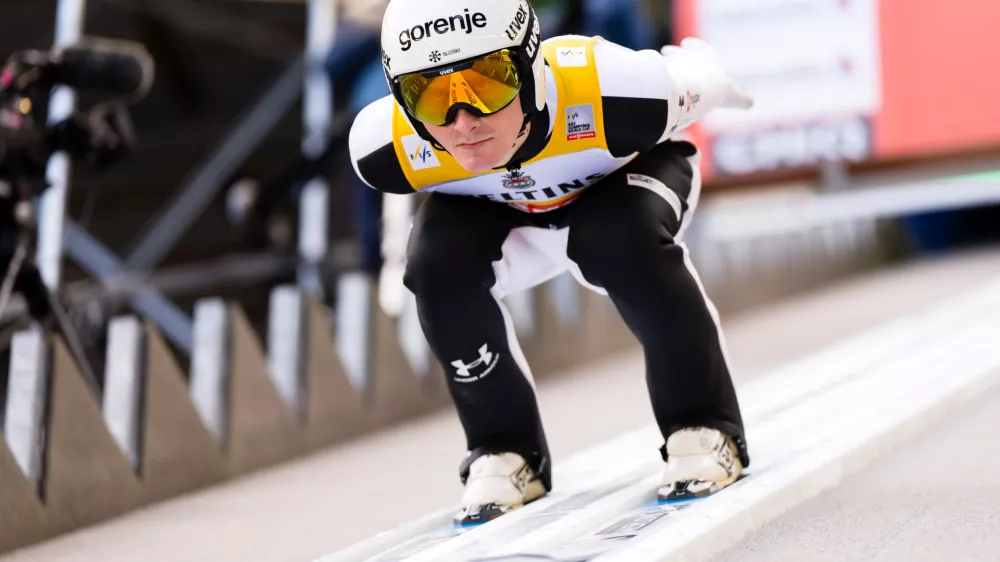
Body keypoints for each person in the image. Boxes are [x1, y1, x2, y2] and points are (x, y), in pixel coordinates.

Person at [349, 0, 753, 526]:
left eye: (487, 84)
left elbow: (701, 77)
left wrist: (711, 73)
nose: (463, 121)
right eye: (430, 96)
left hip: (621, 190)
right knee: (432, 262)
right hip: (507, 219)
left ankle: (704, 424)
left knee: (618, 238)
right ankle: (504, 449)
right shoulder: (384, 148)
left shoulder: (619, 91)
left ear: (531, 68)